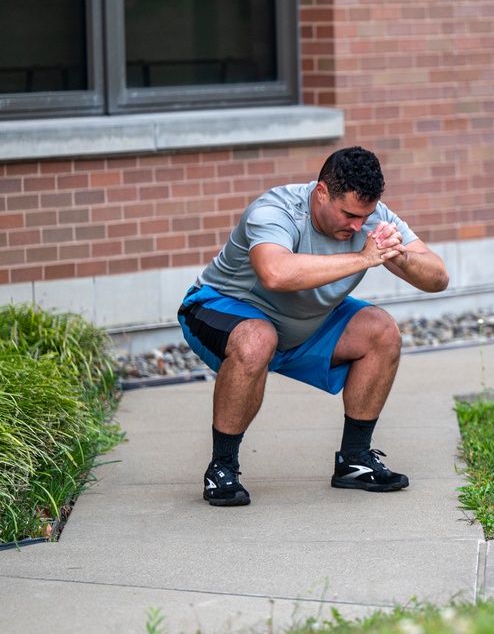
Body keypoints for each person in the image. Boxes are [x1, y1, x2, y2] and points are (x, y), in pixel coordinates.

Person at [177, 146, 449, 506]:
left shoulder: (373, 217)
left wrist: (399, 256)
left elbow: (438, 278)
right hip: (221, 308)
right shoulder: (276, 210)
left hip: (304, 323)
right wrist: (364, 257)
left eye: (364, 216)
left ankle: (354, 461)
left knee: (380, 330)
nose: (357, 225)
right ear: (322, 192)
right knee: (259, 337)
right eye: (349, 214)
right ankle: (222, 467)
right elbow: (275, 273)